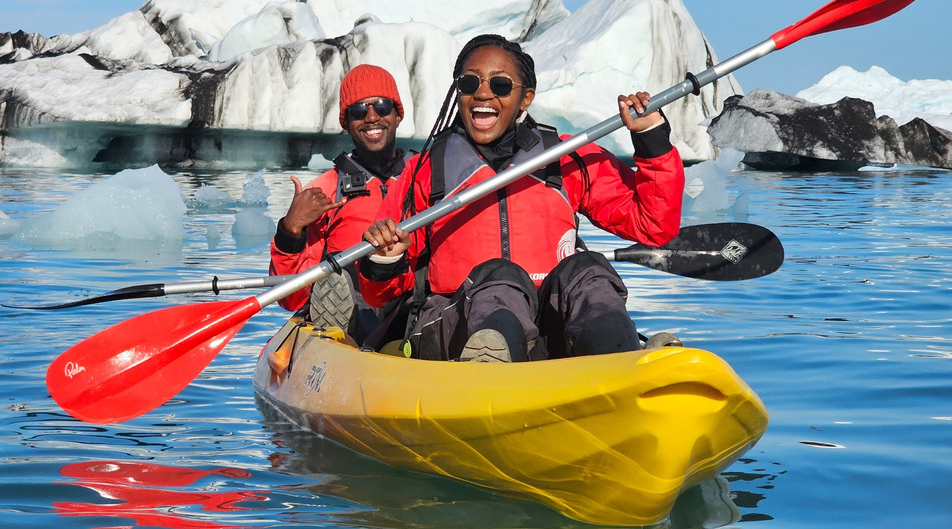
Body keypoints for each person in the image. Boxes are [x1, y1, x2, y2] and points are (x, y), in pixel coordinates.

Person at [358, 34, 685, 362]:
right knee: (501, 279)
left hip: (546, 331)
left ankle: (619, 358)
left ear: (525, 98)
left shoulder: (566, 155)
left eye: (500, 85)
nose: (483, 93)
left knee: (587, 272)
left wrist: (650, 139)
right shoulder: (426, 170)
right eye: (470, 83)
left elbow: (654, 225)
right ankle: (489, 367)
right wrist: (386, 260)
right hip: (453, 328)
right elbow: (379, 295)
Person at [269, 63, 413, 343]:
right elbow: (291, 297)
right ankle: (340, 331)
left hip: (408, 301)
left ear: (397, 115)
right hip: (352, 306)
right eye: (359, 111)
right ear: (346, 122)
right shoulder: (324, 192)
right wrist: (290, 230)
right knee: (337, 284)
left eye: (382, 107)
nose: (372, 117)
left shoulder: (425, 177)